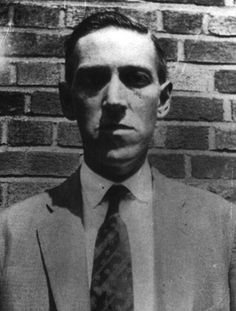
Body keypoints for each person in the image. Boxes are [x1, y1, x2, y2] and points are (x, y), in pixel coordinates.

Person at [0, 11, 236, 311]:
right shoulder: (8, 235)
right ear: (67, 100)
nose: (114, 99)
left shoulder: (224, 226)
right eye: (94, 79)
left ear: (163, 101)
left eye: (135, 78)